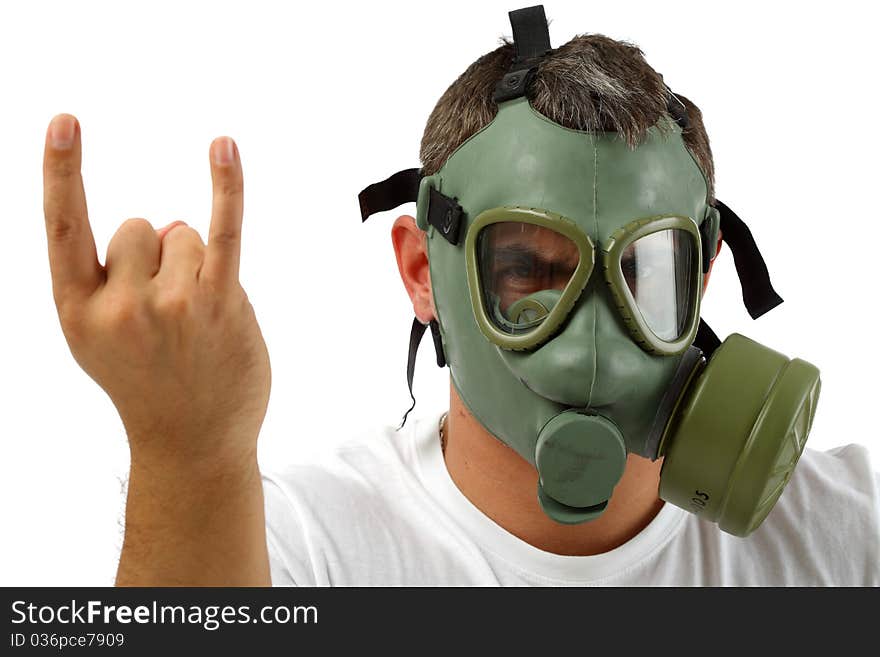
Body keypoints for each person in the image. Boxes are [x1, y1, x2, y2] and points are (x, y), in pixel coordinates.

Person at [42, 8, 879, 586]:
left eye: (643, 272)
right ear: (422, 271)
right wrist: (189, 455)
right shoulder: (292, 548)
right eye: (529, 272)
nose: (591, 343)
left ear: (704, 275)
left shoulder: (845, 535)